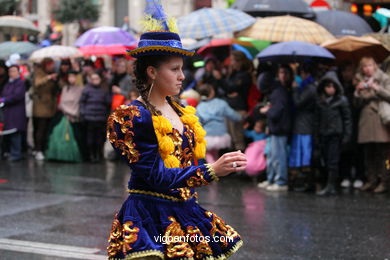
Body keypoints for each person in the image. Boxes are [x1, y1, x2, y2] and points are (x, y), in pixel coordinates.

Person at [106, 1, 246, 259]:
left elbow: (187, 161)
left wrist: (220, 166)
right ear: (151, 72)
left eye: (182, 68)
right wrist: (212, 170)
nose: (183, 76)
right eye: (174, 69)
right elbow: (156, 177)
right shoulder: (132, 117)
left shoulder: (182, 110)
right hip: (150, 216)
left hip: (185, 209)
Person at [354, 57, 390, 193]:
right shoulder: (359, 80)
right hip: (366, 120)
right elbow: (356, 105)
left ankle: (385, 181)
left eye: (370, 65)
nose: (367, 69)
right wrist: (357, 92)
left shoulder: (384, 78)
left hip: (380, 118)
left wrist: (377, 89)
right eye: (364, 67)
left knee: (384, 153)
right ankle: (371, 180)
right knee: (368, 153)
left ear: (375, 66)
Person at [315, 71, 352, 196]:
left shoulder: (341, 100)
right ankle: (329, 184)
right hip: (324, 133)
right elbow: (317, 119)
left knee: (333, 160)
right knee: (325, 159)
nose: (330, 89)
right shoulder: (321, 101)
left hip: (335, 134)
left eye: (332, 86)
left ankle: (331, 185)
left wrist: (347, 135)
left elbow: (347, 119)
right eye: (328, 86)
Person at [258, 65, 293, 191]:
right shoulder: (278, 91)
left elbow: (277, 111)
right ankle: (272, 179)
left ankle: (280, 181)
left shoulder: (278, 92)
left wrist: (267, 110)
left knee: (278, 157)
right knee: (273, 156)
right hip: (276, 129)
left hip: (279, 129)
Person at [196, 83, 242, 163]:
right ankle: (216, 169)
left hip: (208, 136)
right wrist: (242, 118)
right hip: (221, 135)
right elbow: (233, 116)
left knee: (209, 154)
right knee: (215, 154)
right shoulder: (221, 103)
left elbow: (198, 124)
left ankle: (213, 169)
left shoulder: (199, 107)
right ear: (211, 92)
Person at [289, 63, 317, 192]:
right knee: (301, 153)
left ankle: (306, 182)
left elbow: (299, 102)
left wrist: (295, 89)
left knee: (304, 153)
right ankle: (302, 181)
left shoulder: (310, 88)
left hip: (305, 125)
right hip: (302, 124)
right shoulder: (308, 86)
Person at [222, 50, 252, 151]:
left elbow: (231, 88)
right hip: (231, 107)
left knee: (237, 137)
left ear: (240, 62)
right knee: (231, 136)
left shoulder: (244, 75)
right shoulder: (234, 74)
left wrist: (221, 80)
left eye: (233, 60)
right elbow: (228, 90)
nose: (231, 63)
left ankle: (240, 163)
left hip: (239, 108)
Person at [79, 72, 111, 163]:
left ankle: (98, 154)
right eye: (93, 79)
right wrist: (83, 113)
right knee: (90, 138)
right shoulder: (87, 90)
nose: (95, 81)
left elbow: (108, 103)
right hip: (89, 118)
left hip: (101, 118)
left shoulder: (104, 90)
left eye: (96, 79)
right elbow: (82, 102)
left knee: (100, 138)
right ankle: (91, 155)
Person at [32, 57, 58, 160]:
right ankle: (38, 149)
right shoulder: (39, 72)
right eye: (50, 65)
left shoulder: (54, 73)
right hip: (40, 105)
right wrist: (48, 77)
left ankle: (43, 148)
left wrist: (55, 80)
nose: (52, 67)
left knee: (46, 128)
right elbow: (37, 83)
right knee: (39, 128)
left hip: (50, 105)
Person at [0, 65, 26, 161]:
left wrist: (4, 99)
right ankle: (9, 152)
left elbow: (17, 96)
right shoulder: (8, 83)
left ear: (18, 72)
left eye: (14, 71)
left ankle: (16, 153)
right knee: (9, 133)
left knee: (15, 133)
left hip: (16, 112)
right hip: (8, 112)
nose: (11, 73)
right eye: (10, 71)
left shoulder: (20, 83)